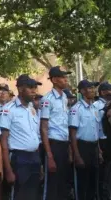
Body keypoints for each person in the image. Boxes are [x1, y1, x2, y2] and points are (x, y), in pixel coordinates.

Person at [0, 75, 42, 200]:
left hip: (34, 157)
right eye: (30, 88)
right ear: (20, 89)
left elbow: (35, 137)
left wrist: (39, 162)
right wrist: (8, 170)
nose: (34, 91)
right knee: (20, 195)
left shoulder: (32, 109)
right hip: (19, 158)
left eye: (35, 88)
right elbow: (3, 142)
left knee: (34, 194)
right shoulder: (8, 110)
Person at [40, 66, 72, 200]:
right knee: (52, 184)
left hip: (64, 144)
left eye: (66, 76)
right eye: (63, 77)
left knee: (64, 183)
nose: (66, 79)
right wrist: (50, 156)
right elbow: (44, 128)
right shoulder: (47, 99)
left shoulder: (64, 96)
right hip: (53, 145)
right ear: (54, 80)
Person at [69, 80, 100, 200]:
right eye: (89, 88)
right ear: (82, 91)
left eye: (93, 88)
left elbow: (95, 131)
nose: (92, 90)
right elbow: (72, 134)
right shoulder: (76, 109)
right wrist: (76, 155)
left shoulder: (94, 108)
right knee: (82, 184)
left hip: (94, 148)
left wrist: (99, 151)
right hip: (82, 148)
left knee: (93, 182)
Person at [93, 82, 111, 200]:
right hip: (102, 140)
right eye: (108, 90)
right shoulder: (96, 105)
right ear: (102, 92)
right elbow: (96, 124)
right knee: (103, 170)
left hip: (108, 139)